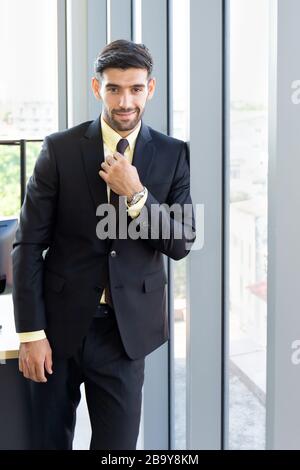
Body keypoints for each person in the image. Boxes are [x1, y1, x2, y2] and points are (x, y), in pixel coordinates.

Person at [12, 39, 195, 450]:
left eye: (134, 88)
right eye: (114, 88)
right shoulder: (58, 149)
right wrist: (30, 332)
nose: (124, 100)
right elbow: (28, 244)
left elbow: (182, 241)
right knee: (47, 443)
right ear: (97, 89)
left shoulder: (172, 154)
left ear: (151, 88)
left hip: (124, 335)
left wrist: (136, 196)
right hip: (57, 329)